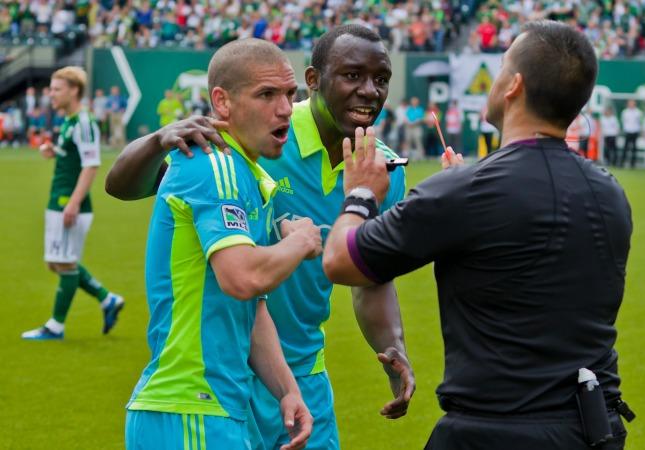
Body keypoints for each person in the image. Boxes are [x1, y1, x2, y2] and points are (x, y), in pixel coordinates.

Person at [323, 20, 633, 449]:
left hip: (494, 432)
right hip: (593, 429)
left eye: (502, 65)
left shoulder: (465, 192)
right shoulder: (609, 192)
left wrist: (360, 193)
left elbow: (340, 261)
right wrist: (461, 192)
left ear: (513, 85)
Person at [106, 25, 415, 450]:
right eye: (352, 75)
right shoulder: (237, 145)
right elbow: (131, 187)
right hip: (218, 379)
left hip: (297, 370)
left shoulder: (380, 171)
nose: (368, 90)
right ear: (314, 80)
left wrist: (392, 347)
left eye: (381, 79)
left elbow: (368, 275)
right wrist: (158, 140)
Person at [122, 38, 314, 450]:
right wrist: (299, 242)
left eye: (290, 94)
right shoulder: (215, 164)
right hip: (189, 409)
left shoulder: (250, 176)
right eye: (267, 94)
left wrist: (287, 390)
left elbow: (253, 306)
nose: (285, 109)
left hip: (213, 409)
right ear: (222, 102)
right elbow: (241, 278)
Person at [21, 67, 124, 340]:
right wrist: (54, 151)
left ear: (74, 90)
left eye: (57, 89)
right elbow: (75, 156)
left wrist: (74, 203)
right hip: (59, 198)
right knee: (56, 262)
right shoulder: (69, 120)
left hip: (68, 202)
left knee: (64, 264)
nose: (51, 94)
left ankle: (56, 326)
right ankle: (108, 299)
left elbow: (91, 165)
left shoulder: (84, 122)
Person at [620, 99, 642, 168]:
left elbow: (640, 122)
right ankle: (622, 163)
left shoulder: (638, 112)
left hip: (635, 131)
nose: (631, 104)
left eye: (632, 103)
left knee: (634, 149)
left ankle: (633, 164)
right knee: (625, 148)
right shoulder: (625, 112)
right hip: (628, 131)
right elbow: (623, 121)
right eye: (630, 103)